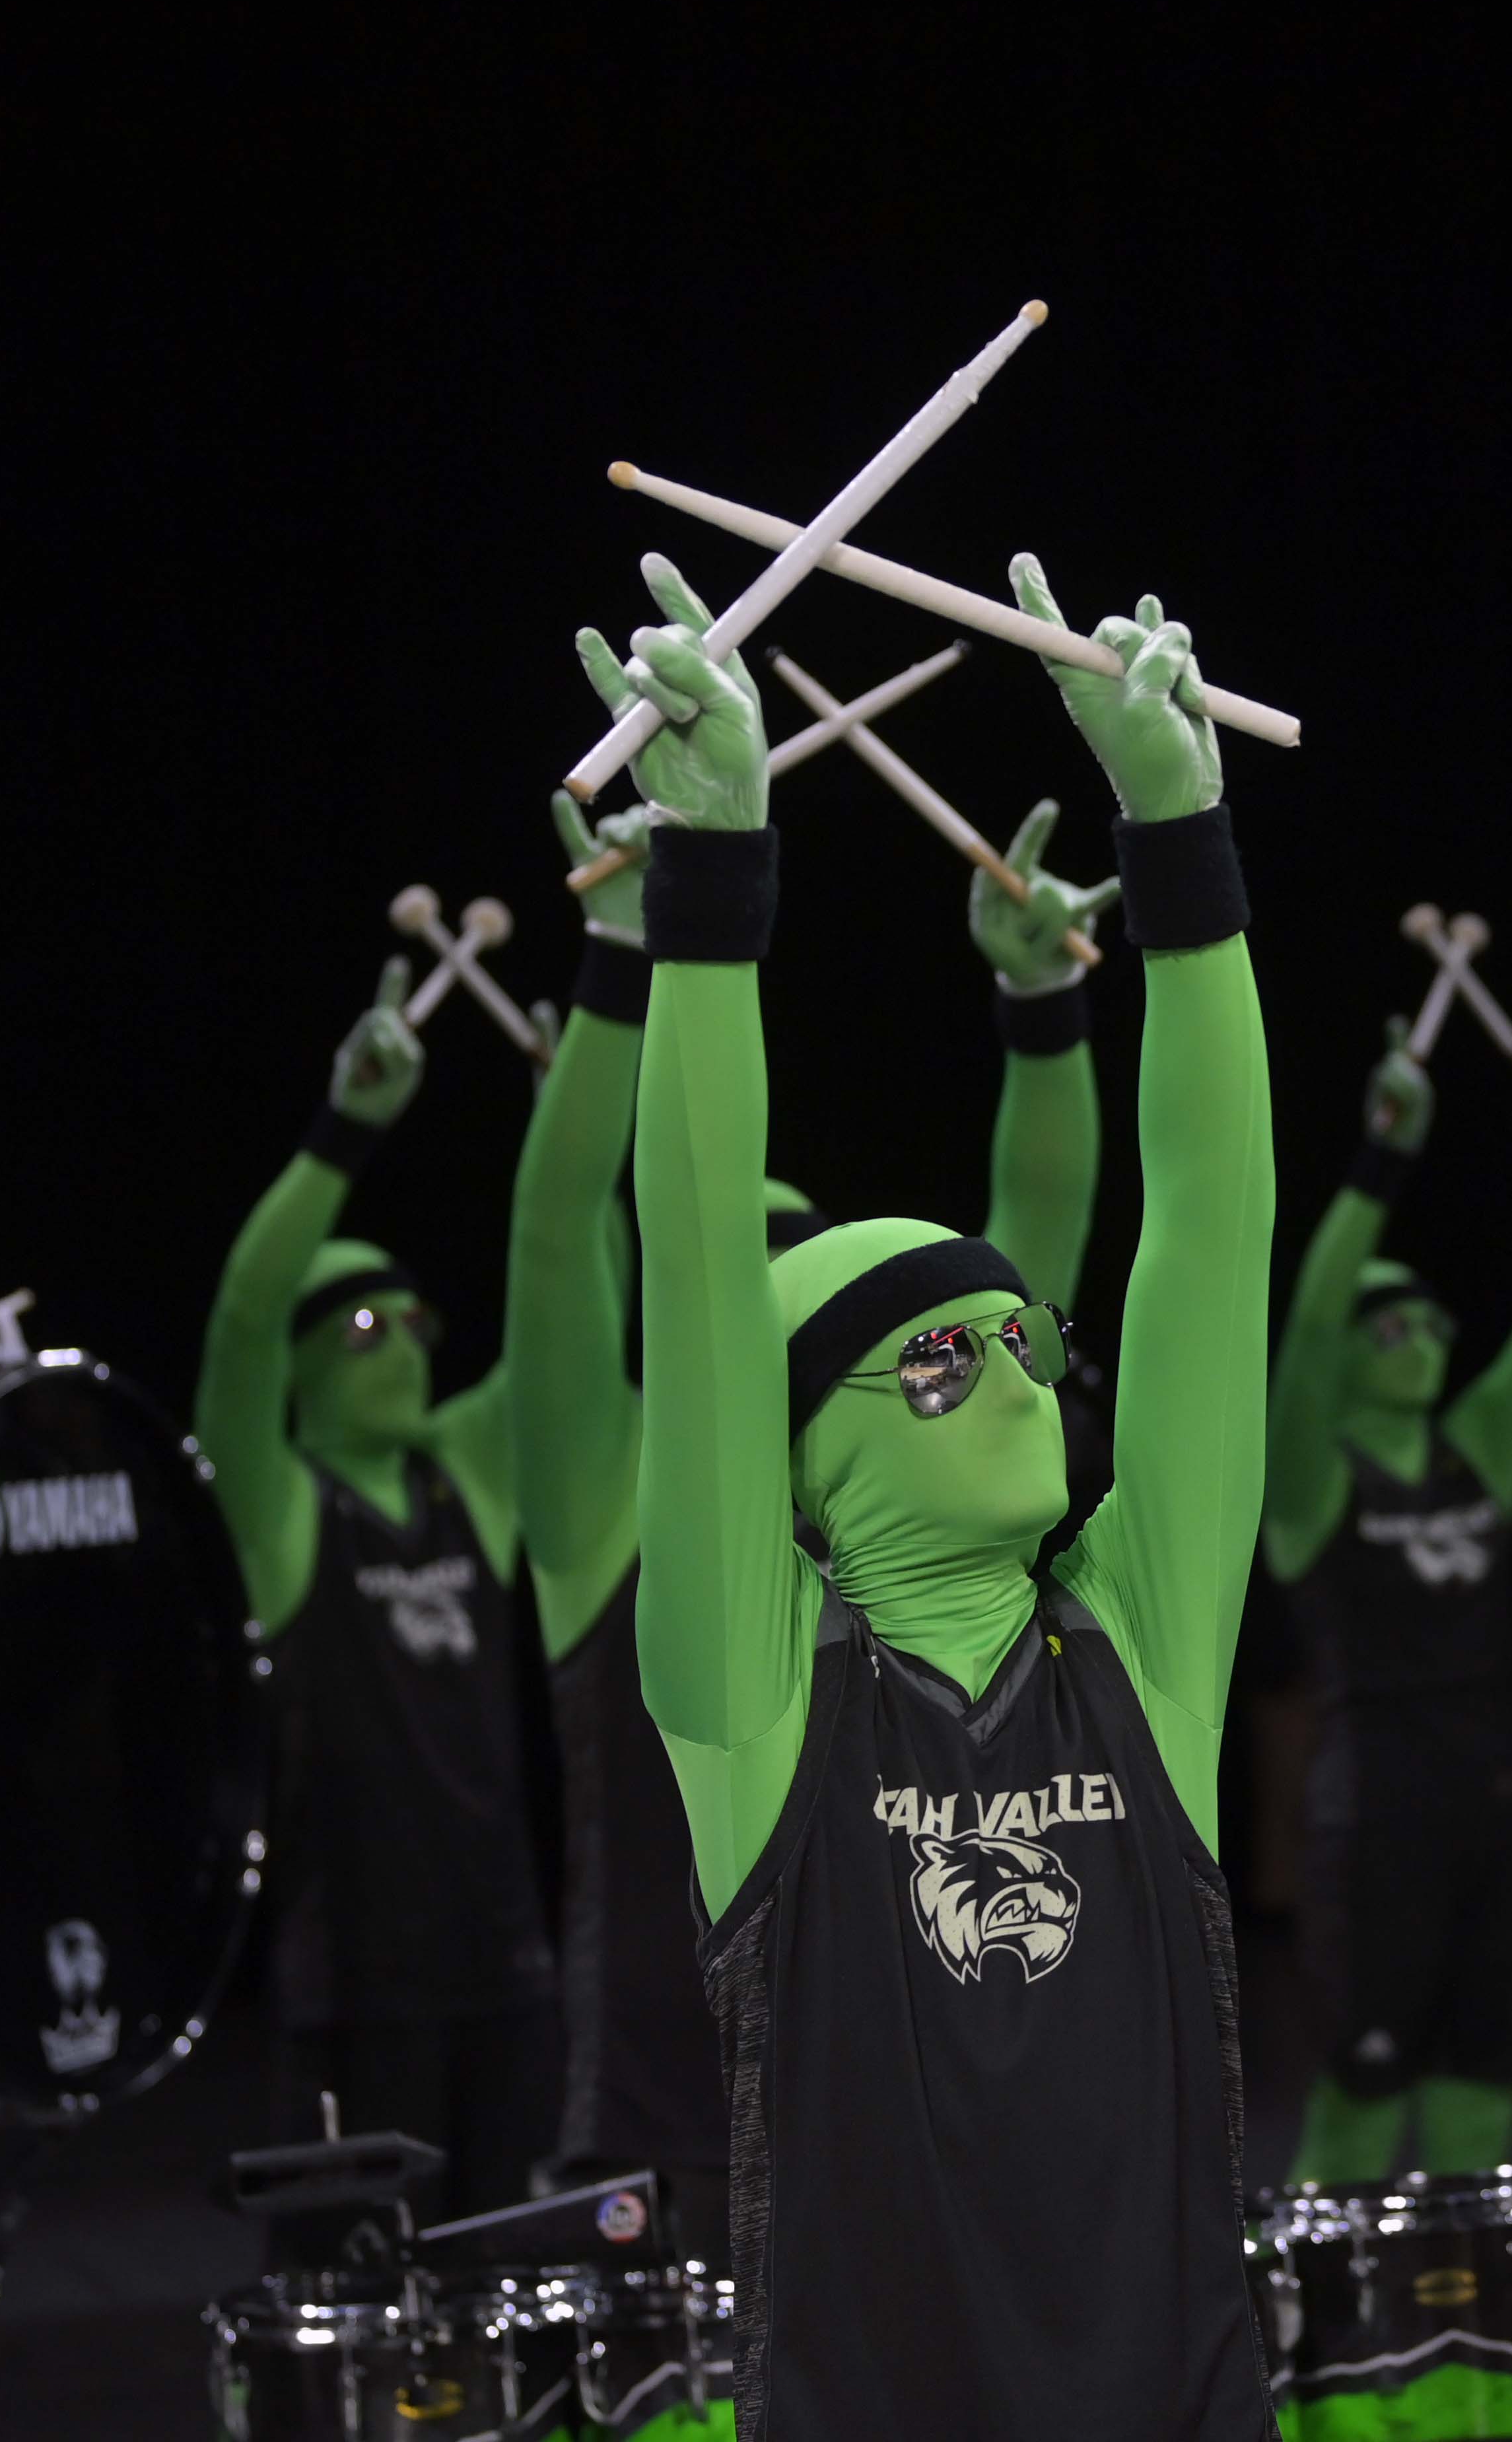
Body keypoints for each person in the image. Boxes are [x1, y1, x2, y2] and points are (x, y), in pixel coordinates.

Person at [608, 542, 1274, 2437]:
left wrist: (1183, 833)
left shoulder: (1147, 1641)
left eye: (1019, 1336)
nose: (1008, 1369)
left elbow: (1214, 1240)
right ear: (803, 1442)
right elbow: (690, 1238)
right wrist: (716, 879)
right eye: (935, 1351)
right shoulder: (750, 1697)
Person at [509, 742, 1115, 2237]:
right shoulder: (607, 1501)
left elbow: (1031, 1254)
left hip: (911, 2106)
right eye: (731, 1262)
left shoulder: (917, 1496)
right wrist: (619, 950)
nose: (761, 1280)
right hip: (669, 2133)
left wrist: (1045, 1013)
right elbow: (552, 1228)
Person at [195, 965, 557, 2235]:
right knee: (365, 2337)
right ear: (300, 1363)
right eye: (362, 1328)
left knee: (514, 2299)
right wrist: (345, 1131)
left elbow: (576, 1294)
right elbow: (238, 1321)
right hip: (356, 1989)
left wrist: (569, 1112)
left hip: (508, 1974)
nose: (404, 1342)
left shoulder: (467, 1473)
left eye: (412, 1321)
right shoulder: (280, 1504)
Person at [1265, 1013, 1512, 2179]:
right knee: (1362, 2090)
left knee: (1488, 2087)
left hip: (1503, 1807)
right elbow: (1306, 1325)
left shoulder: (1481, 1450)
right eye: (1389, 1321)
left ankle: (1476, 2352)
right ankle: (1332, 2354)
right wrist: (1379, 1160)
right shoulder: (1309, 1479)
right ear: (1353, 1351)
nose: (1419, 1336)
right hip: (1377, 1820)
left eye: (1432, 1318)